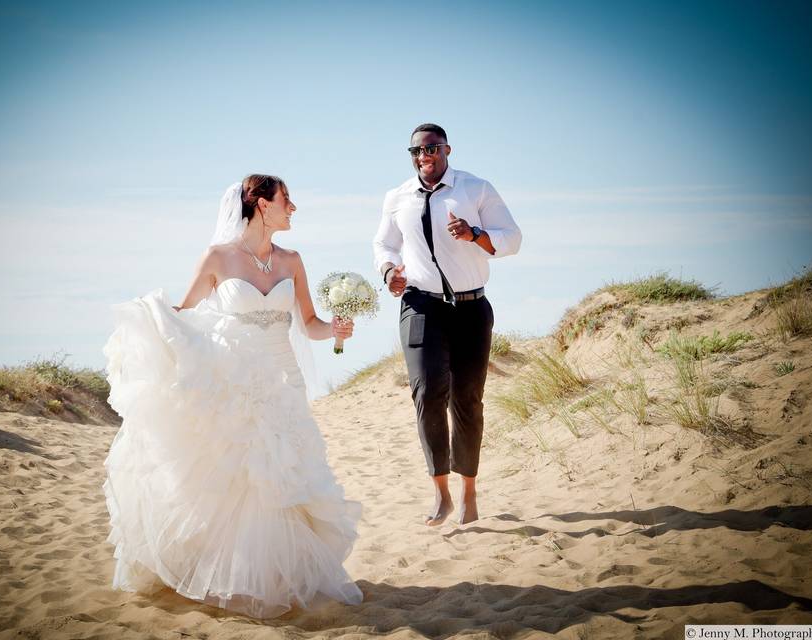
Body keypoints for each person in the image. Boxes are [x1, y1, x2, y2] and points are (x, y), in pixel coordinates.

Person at [102, 175, 363, 618]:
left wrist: (334, 330)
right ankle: (232, 577)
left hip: (285, 381)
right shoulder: (218, 258)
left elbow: (309, 323)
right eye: (286, 200)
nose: (292, 208)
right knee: (243, 479)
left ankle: (278, 578)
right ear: (261, 204)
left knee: (285, 475)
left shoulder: (293, 260)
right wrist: (153, 321)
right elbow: (183, 316)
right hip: (237, 381)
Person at [373, 124, 522, 526]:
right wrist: (389, 272)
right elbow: (384, 245)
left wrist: (475, 235)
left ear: (447, 150)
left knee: (468, 400)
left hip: (471, 308)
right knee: (427, 392)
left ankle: (468, 492)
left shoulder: (474, 189)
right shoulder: (397, 197)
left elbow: (512, 238)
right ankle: (441, 494)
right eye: (417, 150)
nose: (425, 155)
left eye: (432, 148)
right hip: (420, 306)